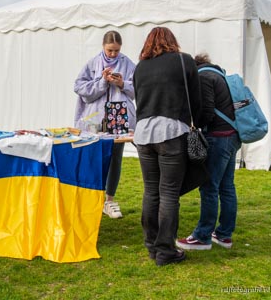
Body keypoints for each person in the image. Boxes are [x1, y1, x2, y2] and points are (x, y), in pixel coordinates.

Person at [133, 26, 201, 266]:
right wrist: (201, 125)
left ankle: (152, 246)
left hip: (143, 134)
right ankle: (165, 251)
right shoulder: (184, 61)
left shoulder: (140, 67)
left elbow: (139, 101)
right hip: (172, 132)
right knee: (169, 193)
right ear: (172, 41)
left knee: (151, 192)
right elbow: (196, 100)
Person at [176, 53, 241, 251]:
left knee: (209, 187)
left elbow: (207, 112)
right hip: (232, 135)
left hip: (218, 137)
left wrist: (195, 125)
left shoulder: (203, 78)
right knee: (226, 186)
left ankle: (202, 236)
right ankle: (224, 235)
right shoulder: (219, 74)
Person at [74, 30, 136, 218]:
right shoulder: (92, 64)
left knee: (115, 158)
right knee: (93, 159)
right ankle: (93, 198)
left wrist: (122, 83)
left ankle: (109, 201)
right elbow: (79, 88)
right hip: (94, 120)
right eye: (110, 50)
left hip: (118, 119)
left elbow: (138, 90)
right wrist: (102, 82)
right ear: (103, 46)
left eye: (116, 51)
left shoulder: (128, 64)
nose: (113, 54)